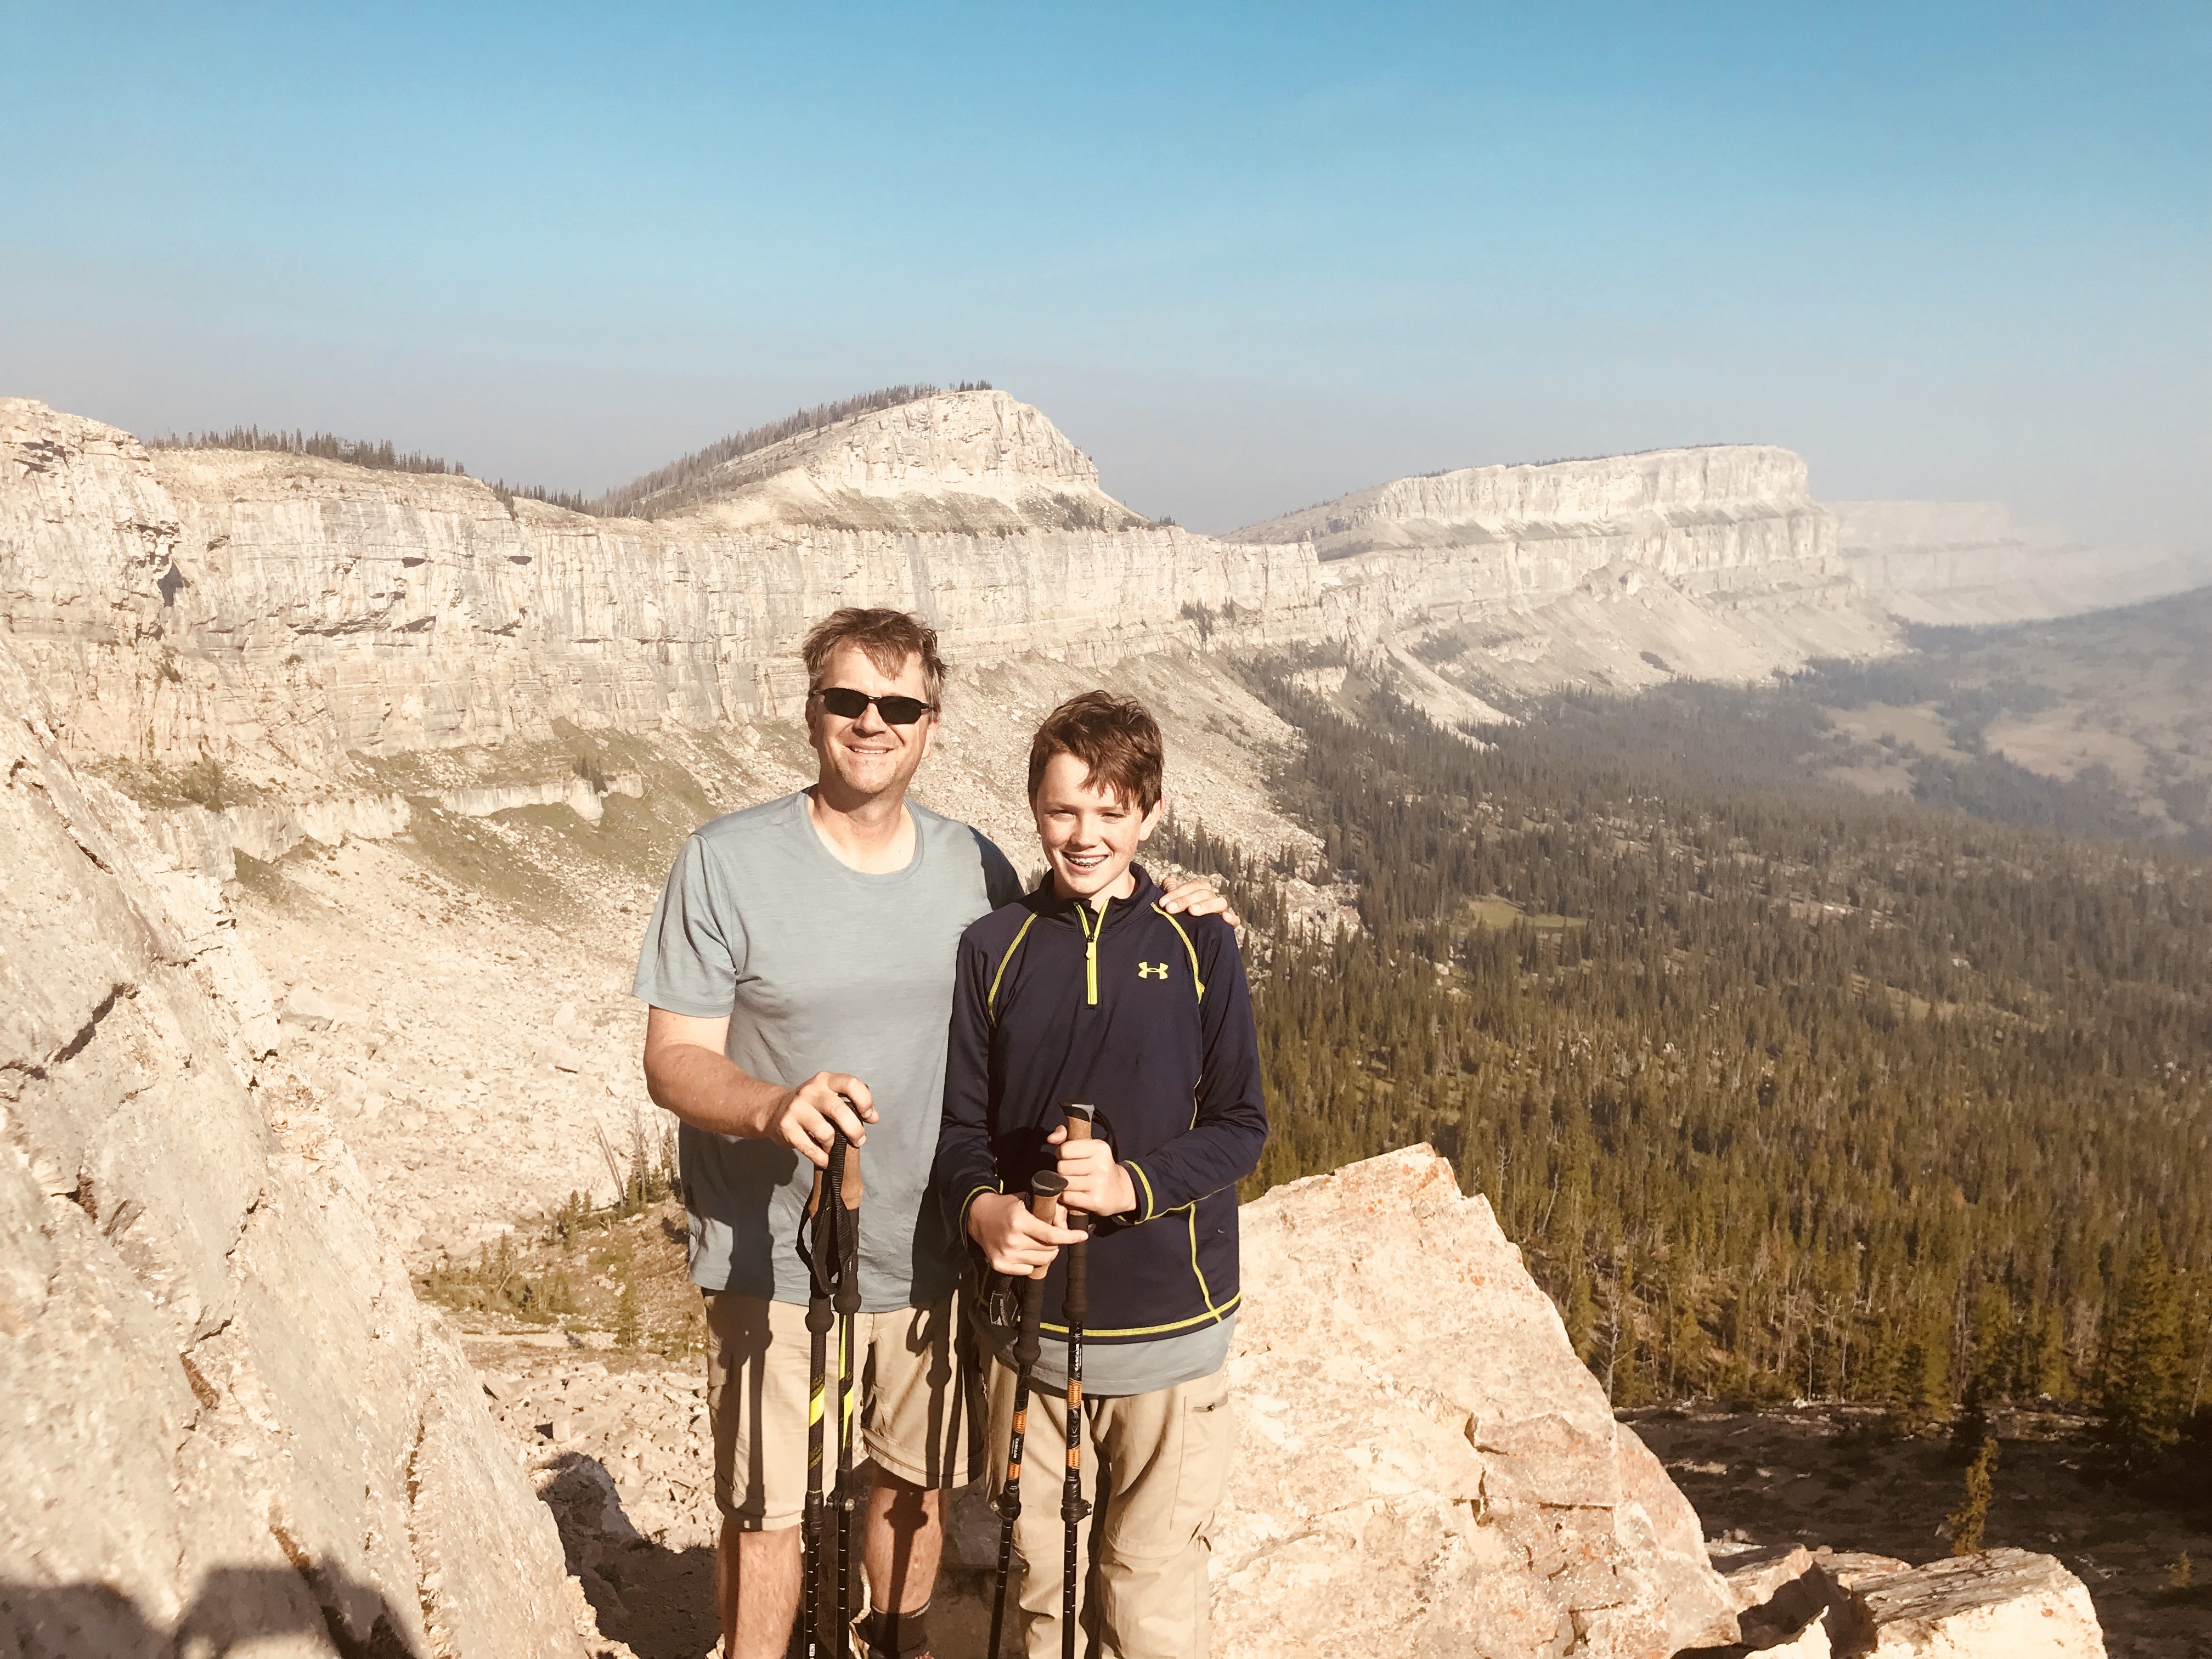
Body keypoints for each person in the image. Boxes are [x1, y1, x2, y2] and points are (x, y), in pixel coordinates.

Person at [634, 611, 1232, 1659]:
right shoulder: (725, 861)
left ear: (931, 724)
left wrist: (1178, 900)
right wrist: (774, 1107)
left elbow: (1076, 923)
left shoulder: (977, 867)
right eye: (848, 700)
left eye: (898, 705)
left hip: (937, 1248)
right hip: (779, 1247)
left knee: (913, 1484)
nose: (873, 722)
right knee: (771, 1503)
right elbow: (671, 1058)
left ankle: (897, 1647)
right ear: (812, 709)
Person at [936, 690, 1267, 1659]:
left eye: (1111, 813)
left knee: (1149, 1594)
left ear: (1151, 815)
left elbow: (1243, 1127)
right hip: (1030, 1337)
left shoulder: (1199, 940)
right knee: (1039, 1588)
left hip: (1174, 1328)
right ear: (1034, 810)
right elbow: (961, 1130)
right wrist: (984, 1210)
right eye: (1061, 811)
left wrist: (1132, 1185)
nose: (1084, 837)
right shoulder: (992, 950)